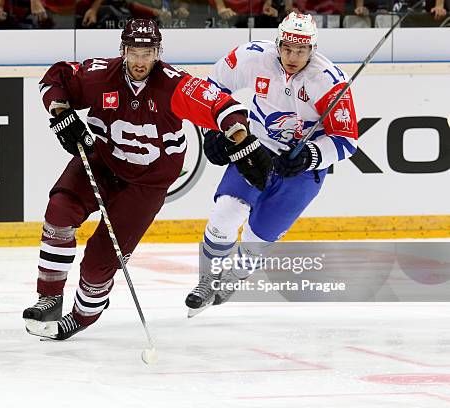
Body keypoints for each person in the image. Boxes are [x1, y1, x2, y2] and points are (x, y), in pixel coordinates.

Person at [23, 18, 272, 340]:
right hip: (101, 162)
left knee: (100, 262)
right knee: (59, 211)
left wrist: (241, 137)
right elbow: (56, 77)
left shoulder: (175, 85)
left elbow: (219, 105)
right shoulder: (98, 75)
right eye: (134, 52)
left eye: (148, 52)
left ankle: (83, 316)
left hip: (147, 183)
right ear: (123, 50)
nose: (141, 61)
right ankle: (49, 297)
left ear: (158, 52)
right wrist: (61, 113)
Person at [185, 12, 359, 316]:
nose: (293, 56)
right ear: (277, 43)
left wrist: (310, 156)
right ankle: (207, 278)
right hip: (257, 149)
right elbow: (211, 88)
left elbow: (346, 141)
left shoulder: (330, 82)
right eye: (287, 48)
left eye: (301, 50)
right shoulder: (252, 56)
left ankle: (235, 277)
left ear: (312, 50)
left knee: (258, 238)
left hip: (301, 171)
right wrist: (215, 128)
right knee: (226, 212)